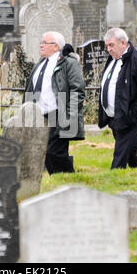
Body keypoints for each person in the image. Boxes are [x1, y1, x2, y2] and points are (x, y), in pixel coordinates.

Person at [24, 31, 85, 174]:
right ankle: (61, 179)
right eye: (41, 42)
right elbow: (31, 89)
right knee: (44, 151)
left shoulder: (68, 63)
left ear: (56, 46)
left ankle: (68, 178)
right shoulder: (39, 64)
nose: (41, 45)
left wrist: (70, 114)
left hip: (59, 114)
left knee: (54, 151)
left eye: (45, 42)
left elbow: (78, 89)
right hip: (40, 115)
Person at [98, 27, 137, 169]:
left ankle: (114, 177)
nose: (109, 49)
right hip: (115, 117)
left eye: (111, 45)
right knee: (129, 149)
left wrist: (133, 115)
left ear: (123, 43)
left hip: (131, 117)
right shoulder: (112, 60)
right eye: (107, 46)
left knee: (119, 154)